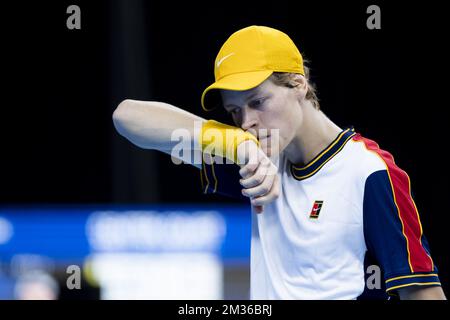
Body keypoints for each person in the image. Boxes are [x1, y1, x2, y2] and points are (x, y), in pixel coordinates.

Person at [112, 25, 446, 300]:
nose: (247, 122)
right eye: (235, 111)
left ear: (299, 84)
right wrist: (236, 144)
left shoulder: (370, 171)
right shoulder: (253, 157)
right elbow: (127, 117)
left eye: (257, 101)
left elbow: (424, 293)